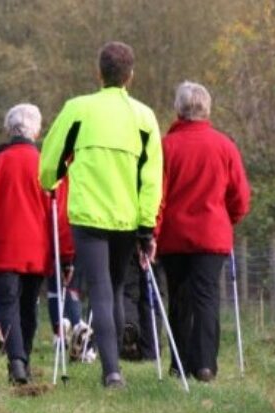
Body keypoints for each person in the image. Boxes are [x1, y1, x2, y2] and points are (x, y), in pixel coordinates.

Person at [39, 41, 163, 388]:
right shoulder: (145, 117)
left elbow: (49, 162)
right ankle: (114, 367)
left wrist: (52, 180)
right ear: (130, 77)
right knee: (118, 285)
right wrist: (146, 229)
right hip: (127, 217)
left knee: (100, 289)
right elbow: (151, 179)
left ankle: (111, 371)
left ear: (99, 73)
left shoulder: (77, 110)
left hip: (89, 217)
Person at [0, 103, 73, 384]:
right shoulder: (49, 167)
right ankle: (21, 357)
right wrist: (67, 254)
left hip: (2, 248)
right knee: (28, 305)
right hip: (37, 249)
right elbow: (61, 215)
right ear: (37, 131)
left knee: (6, 305)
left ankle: (17, 360)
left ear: (8, 129)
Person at [157, 81, 250, 382]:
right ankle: (206, 363)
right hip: (212, 234)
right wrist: (228, 218)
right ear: (207, 109)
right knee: (207, 298)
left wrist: (152, 232)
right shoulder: (225, 145)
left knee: (179, 298)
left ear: (178, 110)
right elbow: (240, 195)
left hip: (173, 236)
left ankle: (180, 363)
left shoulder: (165, 147)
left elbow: (155, 194)